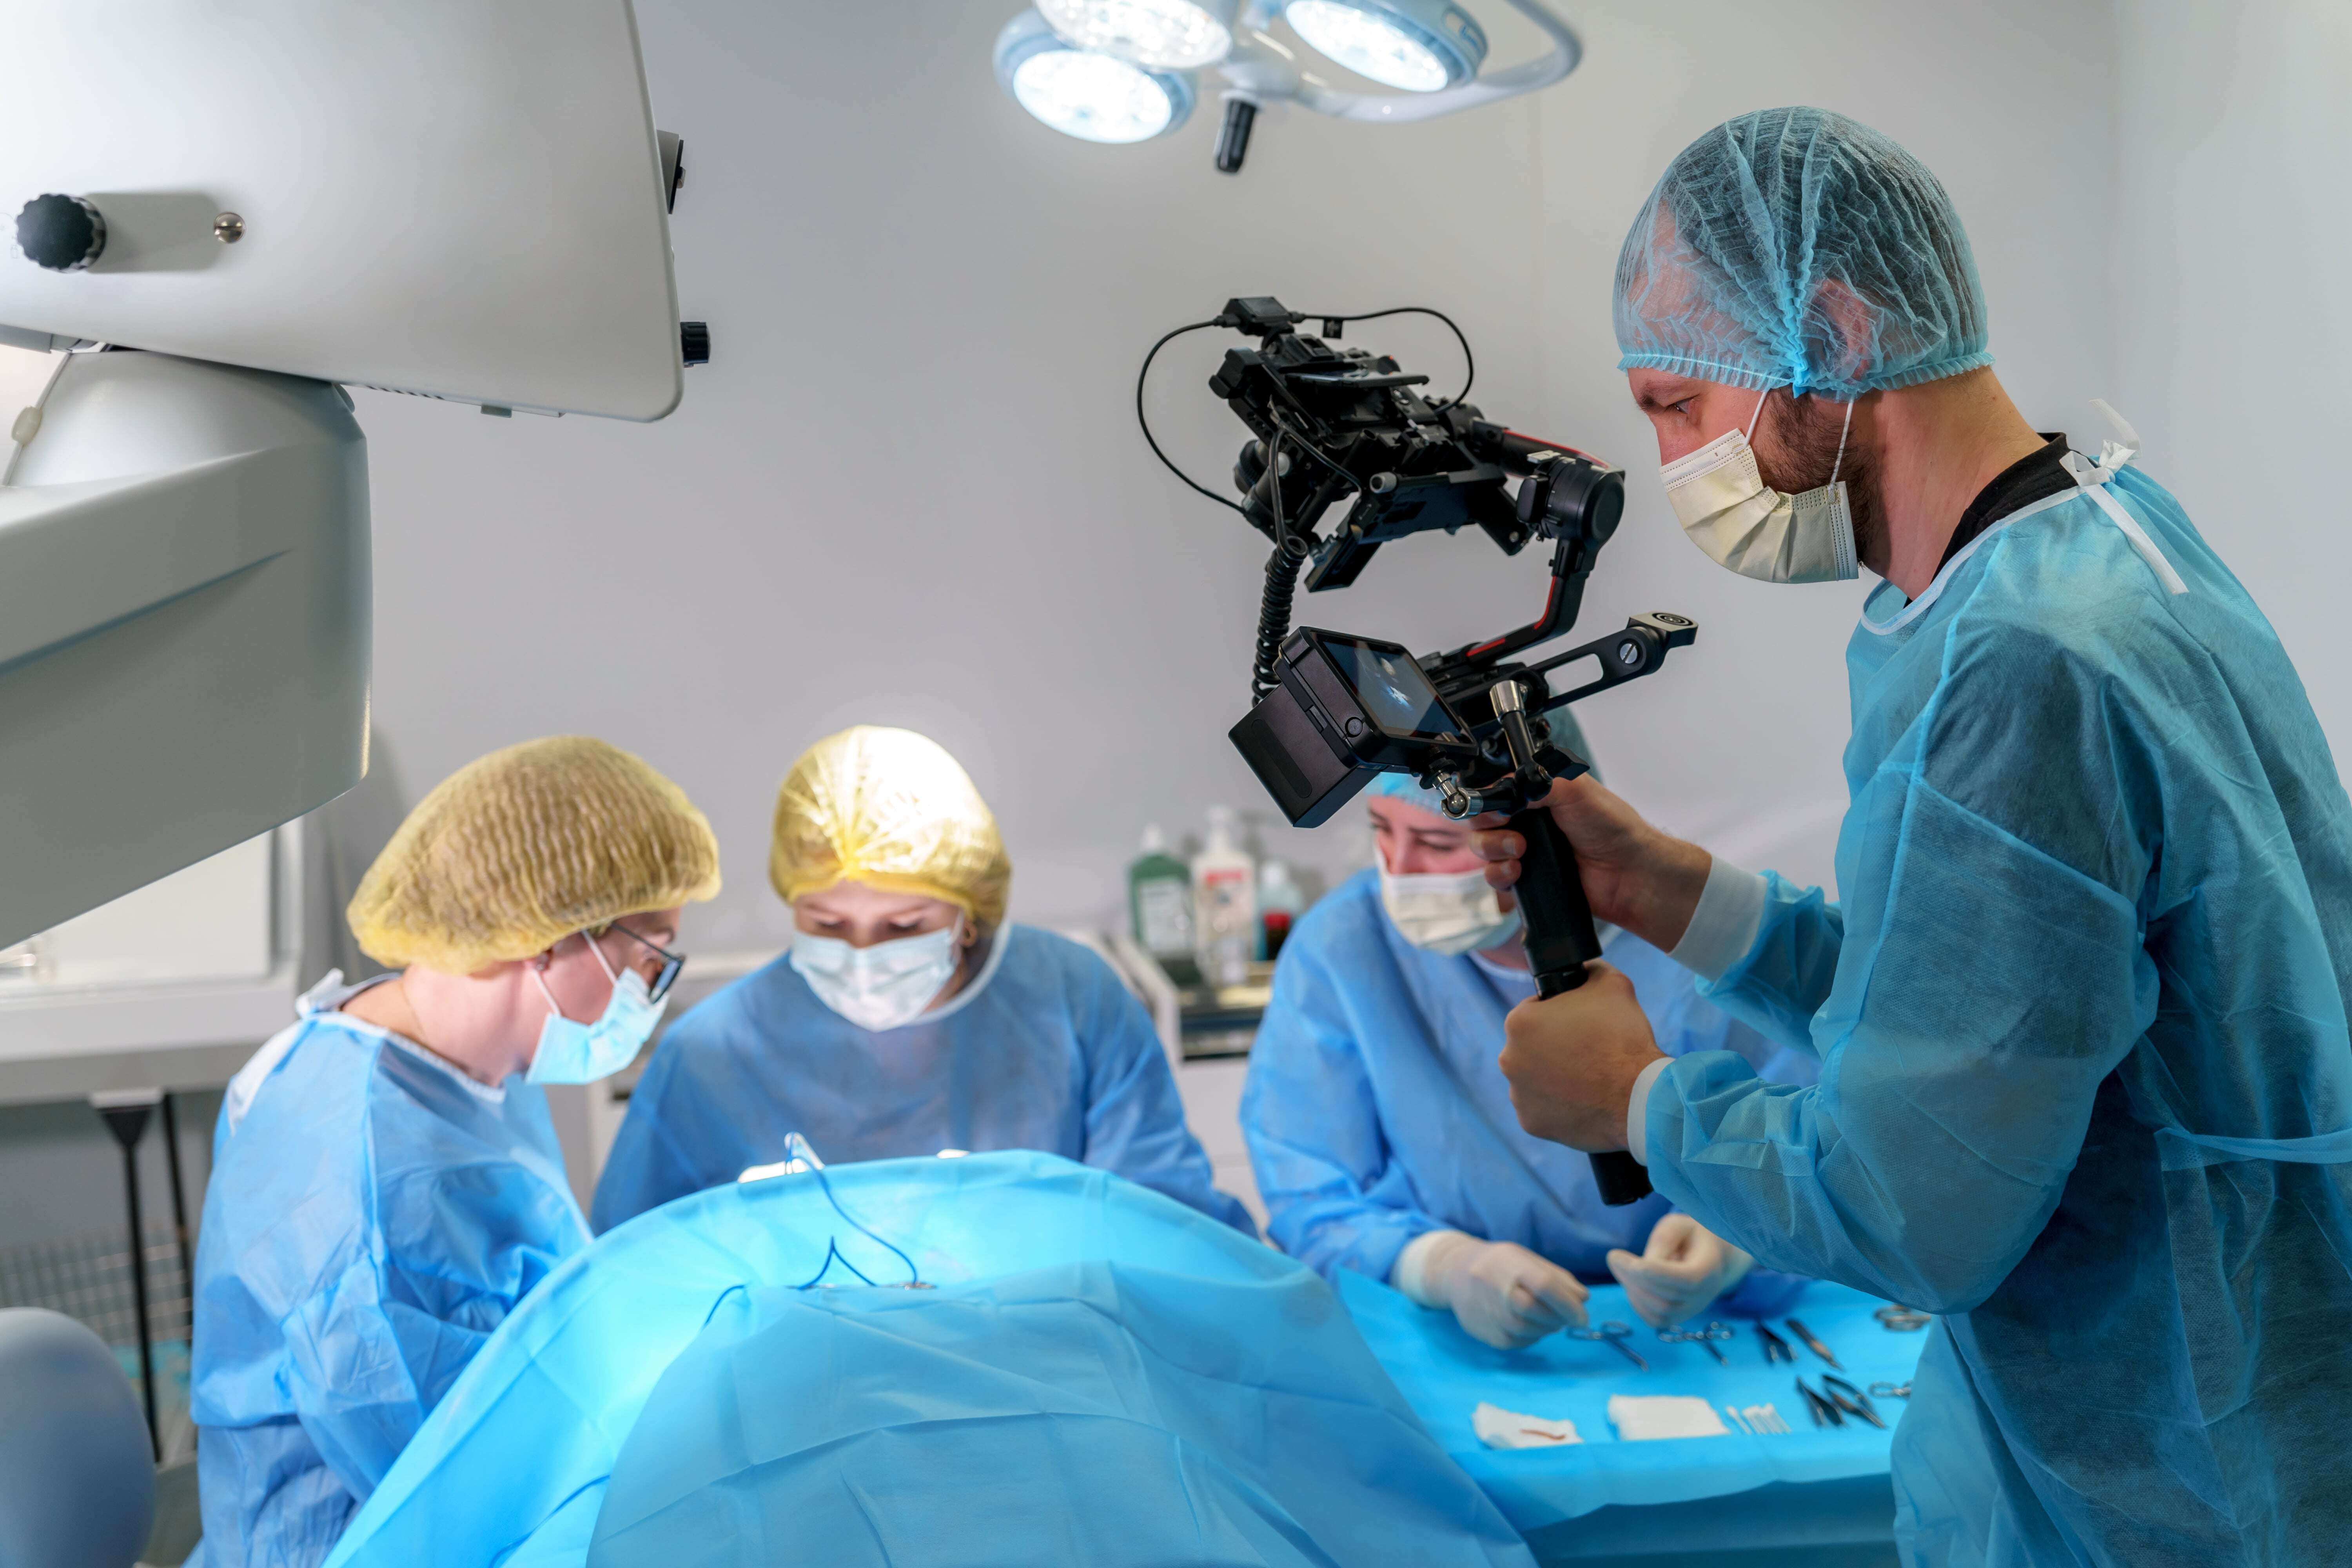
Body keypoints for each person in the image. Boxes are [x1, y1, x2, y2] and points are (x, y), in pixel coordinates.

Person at [1479, 107, 2352, 1566]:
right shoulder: (2105, 541)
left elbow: (1911, 1199)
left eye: (1676, 408)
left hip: (2180, 1462)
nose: (1674, 464)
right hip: (2233, 1375)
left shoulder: (2018, 663)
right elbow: (1996, 1014)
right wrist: (1678, 894)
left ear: (1829, 325)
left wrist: (1636, 1102)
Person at [189, 736, 722, 1568]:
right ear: (546, 939)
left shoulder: (448, 1053)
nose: (652, 990)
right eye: (647, 955)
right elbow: (456, 1494)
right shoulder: (374, 1184)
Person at [1240, 750, 1817, 1352]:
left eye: (1437, 844)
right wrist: (1440, 1267)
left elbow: (1809, 1141)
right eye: (1382, 832)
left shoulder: (1690, 942)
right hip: (1449, 1335)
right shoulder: (1346, 946)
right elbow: (1310, 1185)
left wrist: (1733, 1238)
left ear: (1544, 838)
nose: (1398, 871)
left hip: (1706, 1331)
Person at [593, 726, 1250, 1233]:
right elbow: (630, 1278)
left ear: (968, 912)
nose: (861, 953)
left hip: (1044, 1374)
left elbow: (1169, 1228)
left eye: (904, 925)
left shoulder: (1071, 1002)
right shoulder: (713, 1055)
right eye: (825, 923)